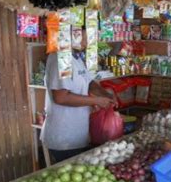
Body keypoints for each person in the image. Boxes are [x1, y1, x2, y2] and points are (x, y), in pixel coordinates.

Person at [41, 33, 116, 163]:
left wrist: (106, 95)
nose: (88, 41)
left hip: (78, 135)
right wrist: (96, 101)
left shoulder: (76, 58)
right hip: (63, 136)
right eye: (84, 36)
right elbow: (61, 98)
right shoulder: (62, 58)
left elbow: (90, 83)